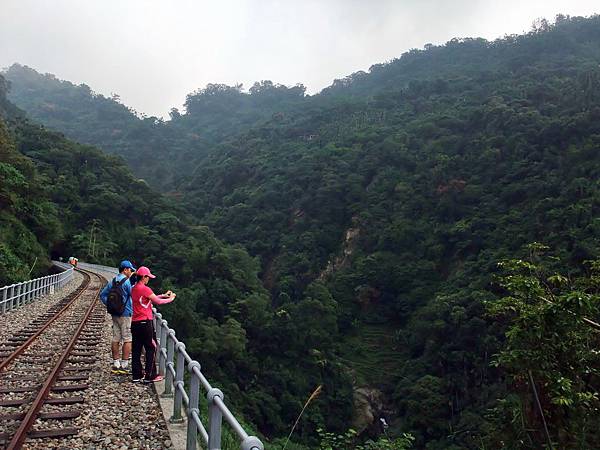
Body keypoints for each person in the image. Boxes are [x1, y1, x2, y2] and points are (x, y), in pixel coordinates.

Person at [130, 266, 176, 383]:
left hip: (135, 323)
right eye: (148, 277)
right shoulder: (145, 289)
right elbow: (157, 301)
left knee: (136, 349)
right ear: (144, 277)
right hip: (145, 323)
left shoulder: (134, 288)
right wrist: (171, 298)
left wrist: (162, 294)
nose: (148, 279)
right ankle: (149, 375)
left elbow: (149, 298)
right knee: (151, 347)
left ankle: (136, 375)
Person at [100, 260, 136, 374]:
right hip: (126, 314)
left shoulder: (113, 281)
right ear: (125, 269)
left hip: (115, 314)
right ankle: (124, 365)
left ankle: (116, 363)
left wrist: (111, 305)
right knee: (127, 339)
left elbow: (102, 295)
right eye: (130, 270)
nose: (131, 272)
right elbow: (134, 296)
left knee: (116, 338)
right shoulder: (127, 282)